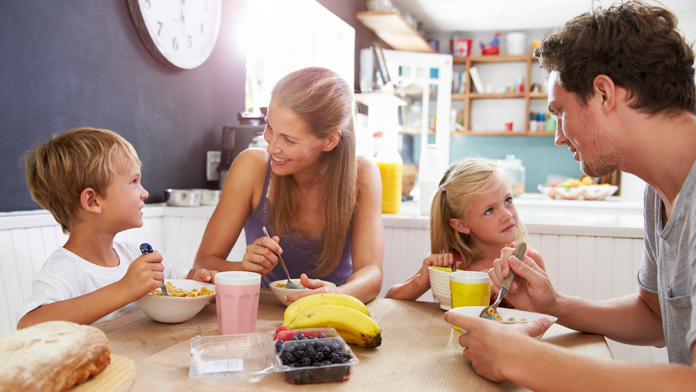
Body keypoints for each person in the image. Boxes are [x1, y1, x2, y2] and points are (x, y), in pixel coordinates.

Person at [445, 1, 696, 389]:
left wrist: (524, 358)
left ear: (602, 94)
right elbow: (655, 317)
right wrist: (555, 306)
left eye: (560, 112)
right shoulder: (658, 194)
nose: (559, 136)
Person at [193, 67, 384, 304]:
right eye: (270, 127)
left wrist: (336, 295)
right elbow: (203, 264)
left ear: (330, 140)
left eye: (289, 139)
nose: (271, 147)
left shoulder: (363, 174)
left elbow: (372, 273)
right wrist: (245, 268)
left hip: (334, 312)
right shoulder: (252, 167)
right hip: (259, 314)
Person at [17, 127, 214, 328]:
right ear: (93, 201)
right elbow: (28, 326)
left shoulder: (132, 255)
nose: (144, 193)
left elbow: (184, 277)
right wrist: (124, 289)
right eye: (133, 182)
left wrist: (199, 278)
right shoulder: (64, 269)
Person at [386, 158, 545, 300]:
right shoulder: (452, 267)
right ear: (461, 225)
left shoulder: (529, 261)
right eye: (489, 210)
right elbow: (390, 300)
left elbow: (546, 311)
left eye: (508, 200)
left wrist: (509, 297)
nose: (507, 215)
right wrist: (422, 279)